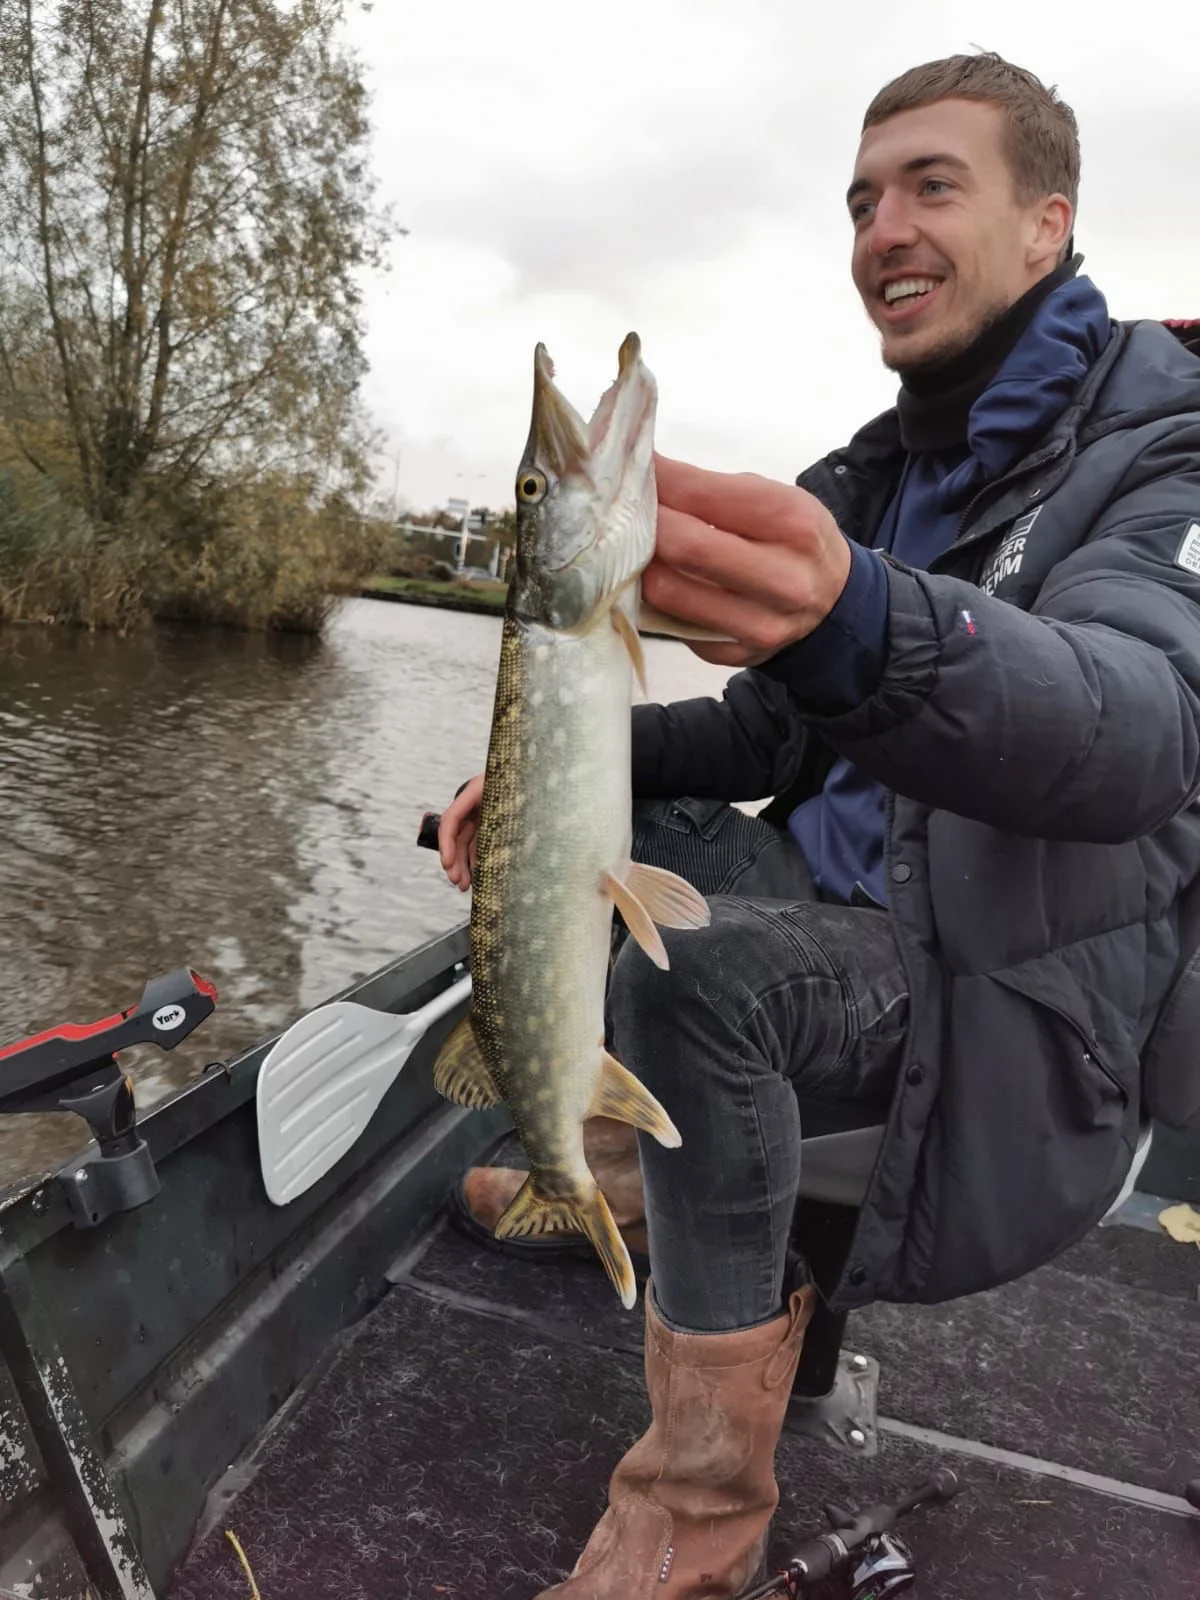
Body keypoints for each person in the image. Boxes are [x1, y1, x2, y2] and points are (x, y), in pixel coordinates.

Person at [437, 51, 1200, 1600]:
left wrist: (864, 619)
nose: (883, 229)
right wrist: (536, 779)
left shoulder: (1163, 445)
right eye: (862, 198)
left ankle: (694, 1519)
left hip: (994, 970)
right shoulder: (882, 466)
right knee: (586, 856)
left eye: (933, 184)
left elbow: (1140, 725)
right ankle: (624, 1172)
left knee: (700, 978)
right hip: (841, 889)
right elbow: (762, 731)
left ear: (1049, 224)